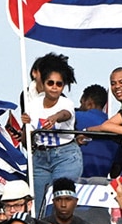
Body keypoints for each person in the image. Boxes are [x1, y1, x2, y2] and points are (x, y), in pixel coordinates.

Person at [22, 52, 82, 202]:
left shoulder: (66, 103)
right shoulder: (32, 104)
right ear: (44, 82)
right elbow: (26, 141)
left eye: (59, 84)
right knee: (37, 206)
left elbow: (66, 114)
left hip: (65, 156)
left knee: (61, 200)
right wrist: (25, 127)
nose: (54, 87)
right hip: (40, 157)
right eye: (50, 83)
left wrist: (55, 117)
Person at [75, 84, 122, 178]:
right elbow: (117, 168)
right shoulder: (115, 127)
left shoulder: (75, 117)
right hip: (100, 184)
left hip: (73, 179)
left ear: (89, 103)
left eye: (81, 103)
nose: (80, 107)